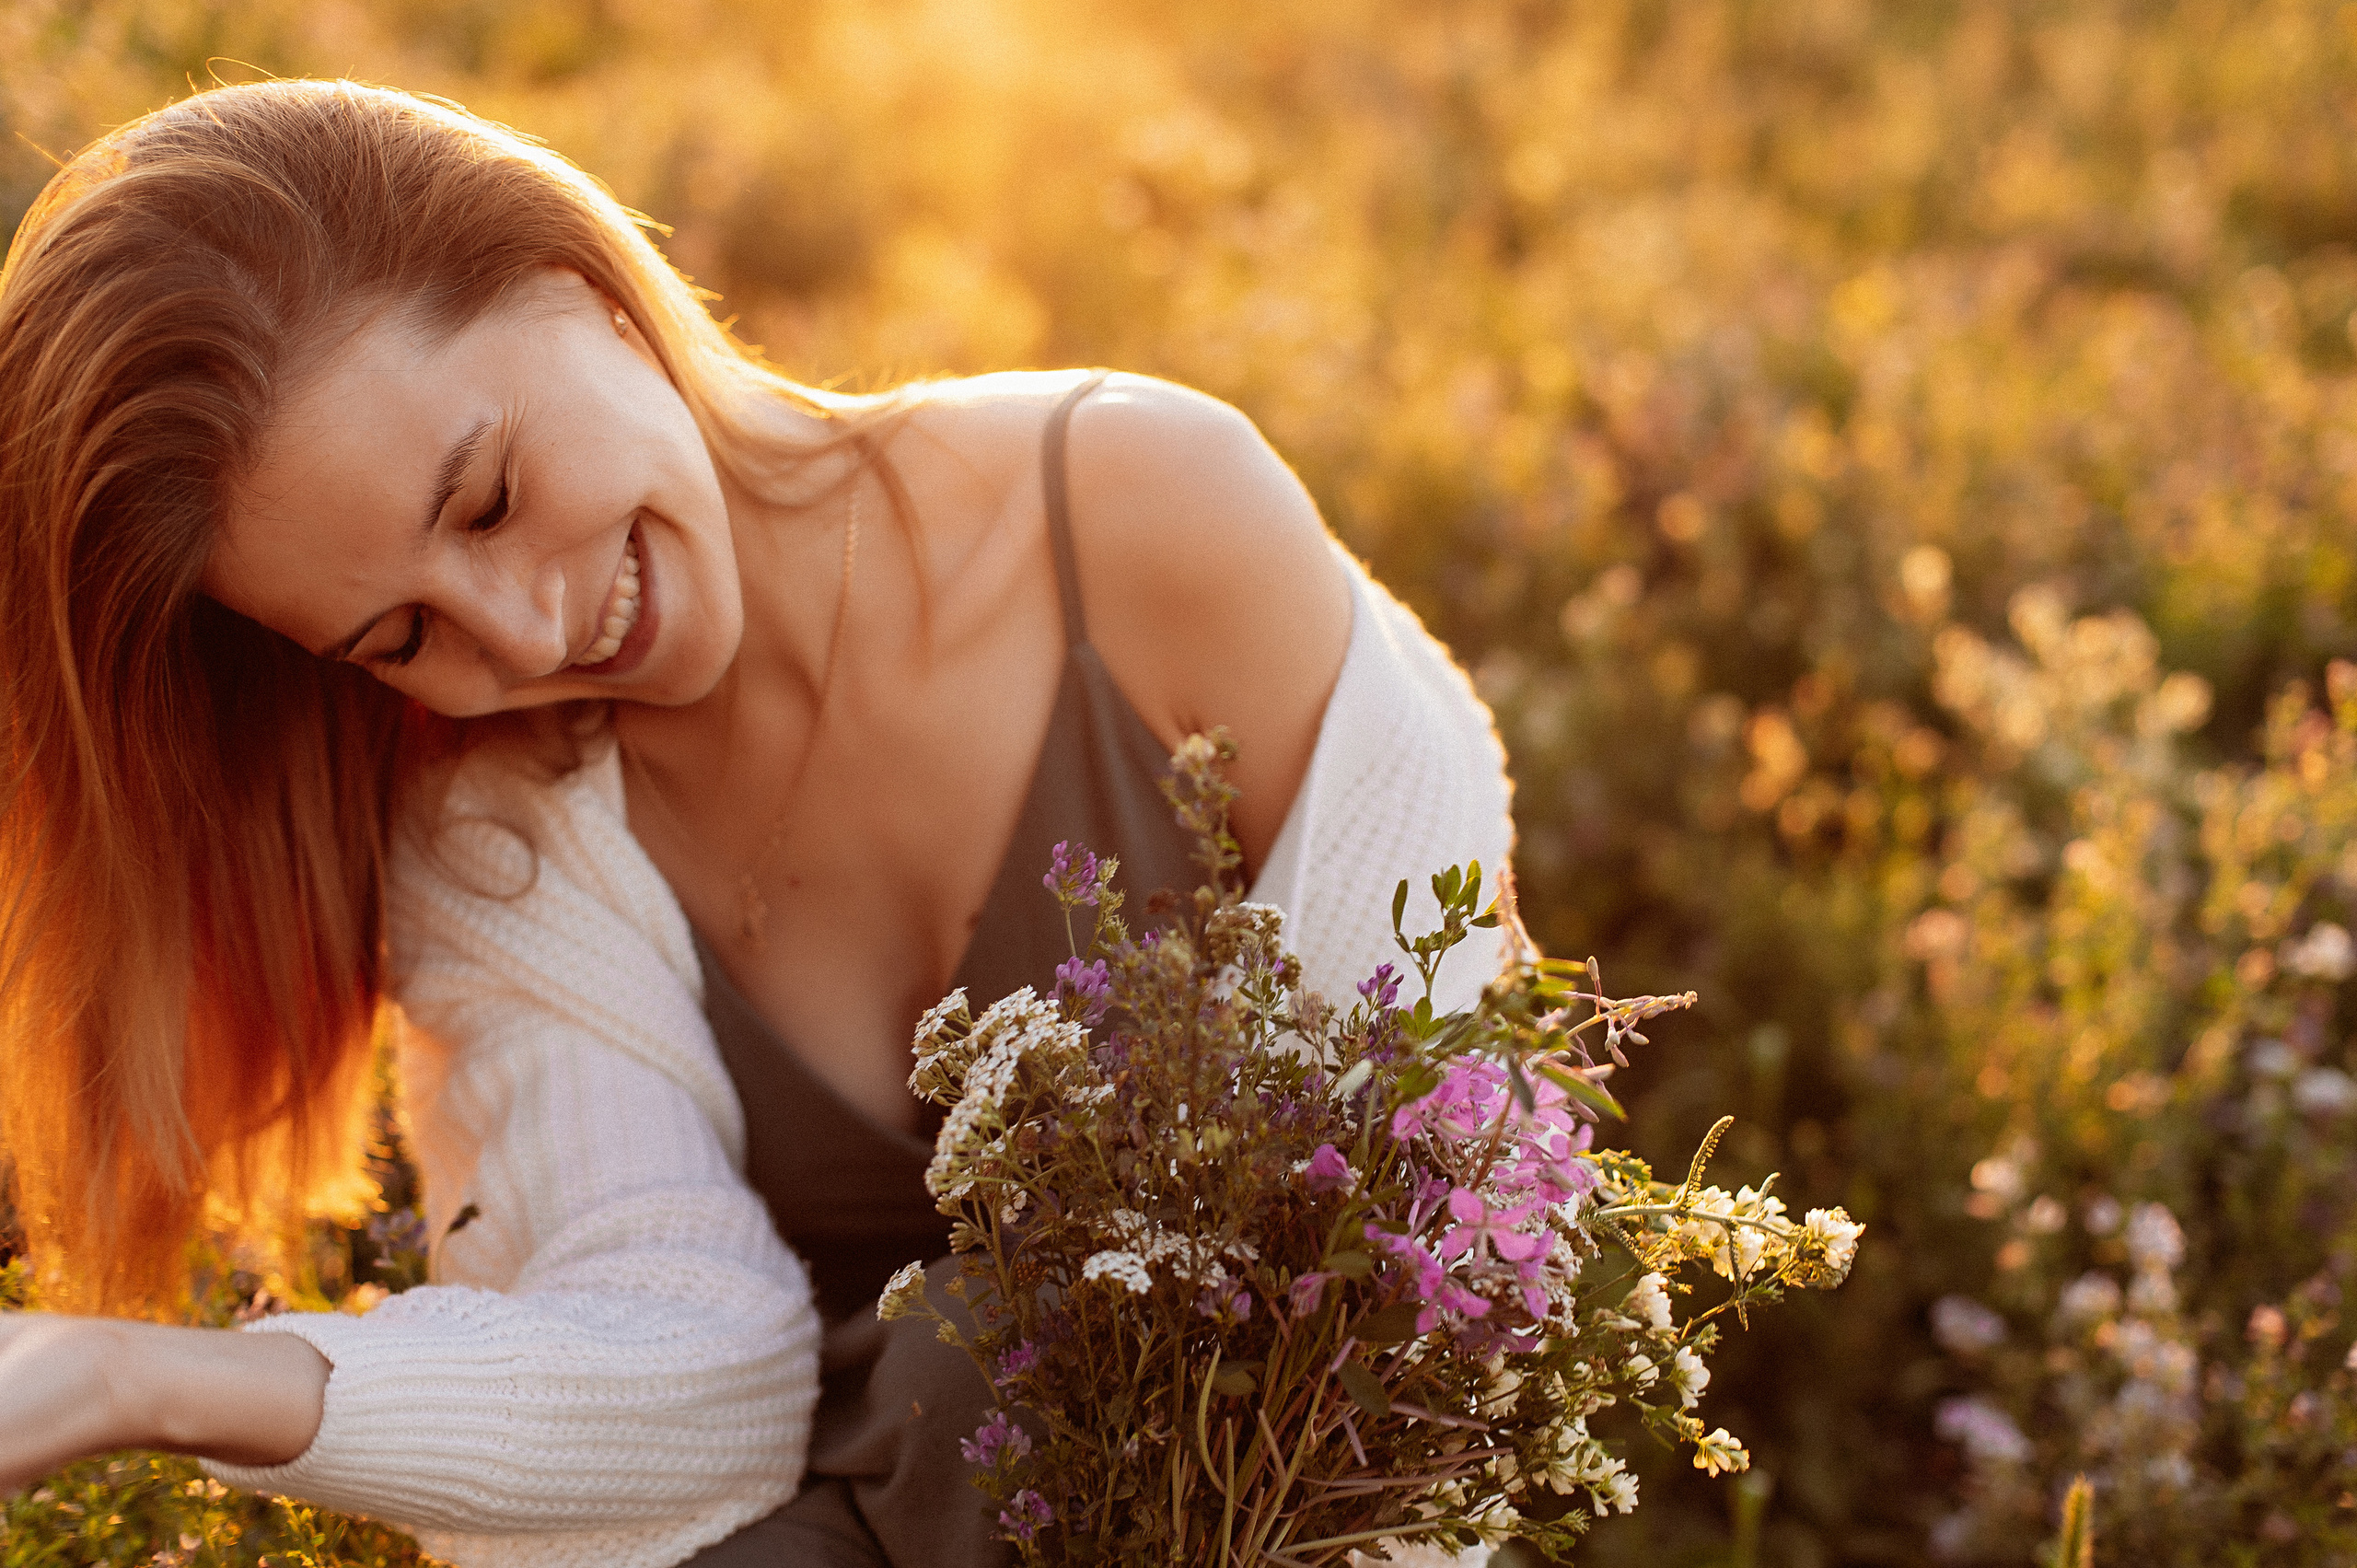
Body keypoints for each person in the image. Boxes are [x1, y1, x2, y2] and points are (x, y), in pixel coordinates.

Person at [0, 79, 1513, 1566]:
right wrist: (137, 1378)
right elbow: (681, 1391)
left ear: (574, 284)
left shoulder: (1145, 511)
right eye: (400, 638)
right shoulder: (506, 830)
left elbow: (1446, 1199)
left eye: (489, 500)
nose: (522, 636)